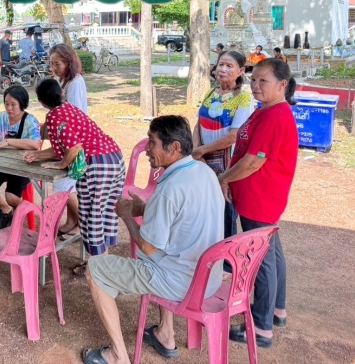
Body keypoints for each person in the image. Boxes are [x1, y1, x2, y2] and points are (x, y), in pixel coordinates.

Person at [81, 115, 224, 364]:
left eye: (152, 142)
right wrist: (145, 209)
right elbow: (181, 217)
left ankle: (118, 355)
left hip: (181, 282)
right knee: (164, 253)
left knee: (95, 268)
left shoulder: (169, 188)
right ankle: (165, 333)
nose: (147, 149)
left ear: (175, 148)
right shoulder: (204, 172)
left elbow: (147, 246)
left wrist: (127, 216)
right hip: (208, 278)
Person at [219, 58, 298, 349]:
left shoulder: (275, 115)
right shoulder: (265, 110)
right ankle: (276, 310)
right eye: (254, 79)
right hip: (259, 195)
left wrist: (223, 179)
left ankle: (262, 328)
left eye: (263, 80)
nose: (255, 85)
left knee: (261, 259)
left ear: (282, 85)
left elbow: (253, 161)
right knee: (272, 253)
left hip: (260, 197)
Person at [24, 79, 125, 275]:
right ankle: (103, 263)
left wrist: (62, 164)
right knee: (104, 214)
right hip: (114, 158)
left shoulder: (54, 116)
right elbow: (64, 147)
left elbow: (74, 147)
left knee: (92, 217)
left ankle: (98, 270)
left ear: (41, 102)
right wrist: (37, 155)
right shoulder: (69, 108)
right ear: (61, 93)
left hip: (96, 164)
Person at [192, 50, 253, 240]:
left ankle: (225, 256)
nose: (223, 69)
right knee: (203, 210)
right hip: (202, 160)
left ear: (240, 71)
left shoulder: (243, 98)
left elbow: (233, 136)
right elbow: (198, 125)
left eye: (229, 66)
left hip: (226, 164)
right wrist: (196, 151)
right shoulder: (211, 93)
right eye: (221, 64)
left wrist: (202, 150)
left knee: (224, 212)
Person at [0, 85, 41, 230]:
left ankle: (23, 211)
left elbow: (36, 144)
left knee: (12, 197)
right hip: (3, 165)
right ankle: (6, 210)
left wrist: (9, 141)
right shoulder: (0, 117)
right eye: (6, 104)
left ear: (22, 104)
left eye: (13, 104)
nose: (9, 108)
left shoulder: (30, 120)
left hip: (23, 166)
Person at [48, 43, 88, 236]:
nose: (53, 68)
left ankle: (82, 224)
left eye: (57, 64)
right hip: (68, 141)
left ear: (68, 62)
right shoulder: (64, 81)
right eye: (52, 64)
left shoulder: (75, 82)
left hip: (75, 142)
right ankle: (72, 220)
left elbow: (75, 115)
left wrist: (66, 154)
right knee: (69, 185)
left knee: (65, 186)